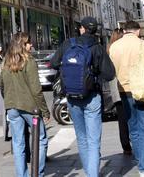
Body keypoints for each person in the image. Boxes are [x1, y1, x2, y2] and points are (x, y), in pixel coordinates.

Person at [49, 17, 115, 177]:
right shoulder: (97, 48)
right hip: (92, 96)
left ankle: (89, 171)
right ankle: (92, 174)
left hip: (72, 97)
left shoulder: (68, 44)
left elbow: (54, 63)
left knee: (82, 137)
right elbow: (110, 74)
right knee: (93, 140)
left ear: (82, 29)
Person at [109, 20, 144, 177]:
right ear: (137, 31)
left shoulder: (114, 47)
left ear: (125, 30)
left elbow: (111, 71)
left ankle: (140, 160)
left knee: (133, 128)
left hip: (124, 91)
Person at [0, 32, 49, 177]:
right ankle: (36, 173)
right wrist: (45, 111)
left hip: (12, 108)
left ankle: (22, 175)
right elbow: (36, 89)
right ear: (22, 45)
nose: (31, 45)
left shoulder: (7, 62)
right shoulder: (29, 61)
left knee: (18, 143)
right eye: (29, 43)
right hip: (30, 108)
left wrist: (9, 99)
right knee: (41, 139)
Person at [108, 30, 132, 155]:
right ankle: (134, 141)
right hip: (126, 86)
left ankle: (126, 146)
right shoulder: (122, 49)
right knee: (132, 116)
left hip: (115, 89)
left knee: (122, 119)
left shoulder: (109, 50)